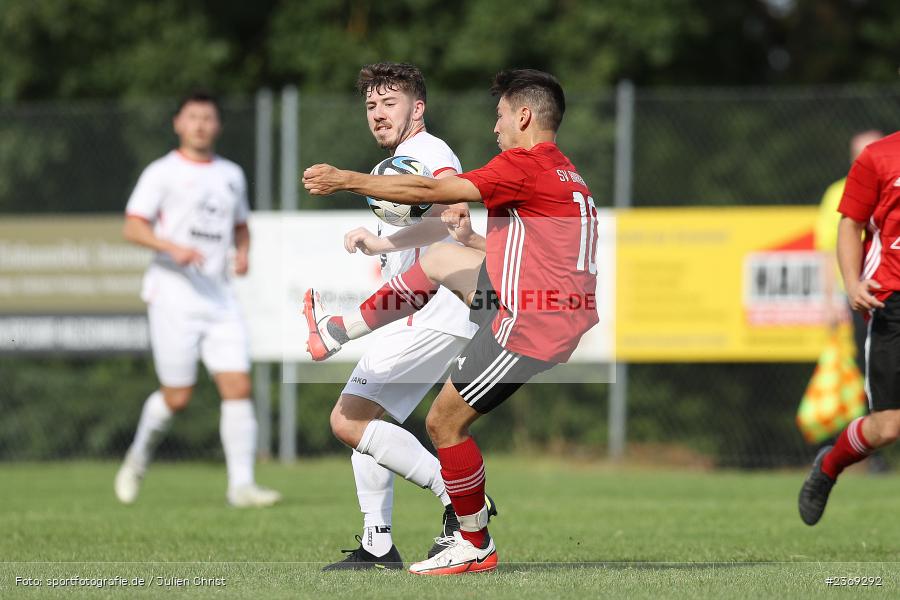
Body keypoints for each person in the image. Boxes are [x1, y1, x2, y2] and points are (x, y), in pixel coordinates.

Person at [303, 69, 599, 574]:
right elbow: (538, 255)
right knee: (439, 264)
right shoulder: (567, 174)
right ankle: (336, 332)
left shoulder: (520, 166)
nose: (495, 127)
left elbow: (435, 189)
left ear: (523, 116)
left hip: (529, 323)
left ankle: (473, 539)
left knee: (443, 422)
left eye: (501, 115)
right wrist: (467, 243)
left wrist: (346, 180)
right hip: (547, 307)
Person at [309, 62, 495, 571]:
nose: (377, 114)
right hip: (430, 309)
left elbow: (448, 197)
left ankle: (459, 504)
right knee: (365, 419)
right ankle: (377, 544)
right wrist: (385, 241)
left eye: (390, 103)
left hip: (437, 309)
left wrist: (448, 218)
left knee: (347, 419)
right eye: (371, 105)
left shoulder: (425, 151)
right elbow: (435, 222)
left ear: (418, 108)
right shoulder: (402, 159)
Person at [114, 90, 281, 508]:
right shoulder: (161, 172)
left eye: (208, 118)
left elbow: (241, 225)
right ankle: (137, 458)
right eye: (193, 117)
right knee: (178, 396)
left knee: (238, 385)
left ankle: (241, 486)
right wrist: (172, 248)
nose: (201, 125)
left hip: (219, 296)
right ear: (178, 124)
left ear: (218, 125)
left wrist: (243, 253)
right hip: (173, 296)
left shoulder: (231, 174)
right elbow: (133, 227)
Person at [799, 129, 900, 525]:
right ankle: (829, 465)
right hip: (891, 298)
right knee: (888, 426)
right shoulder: (879, 156)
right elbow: (849, 224)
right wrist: (852, 283)